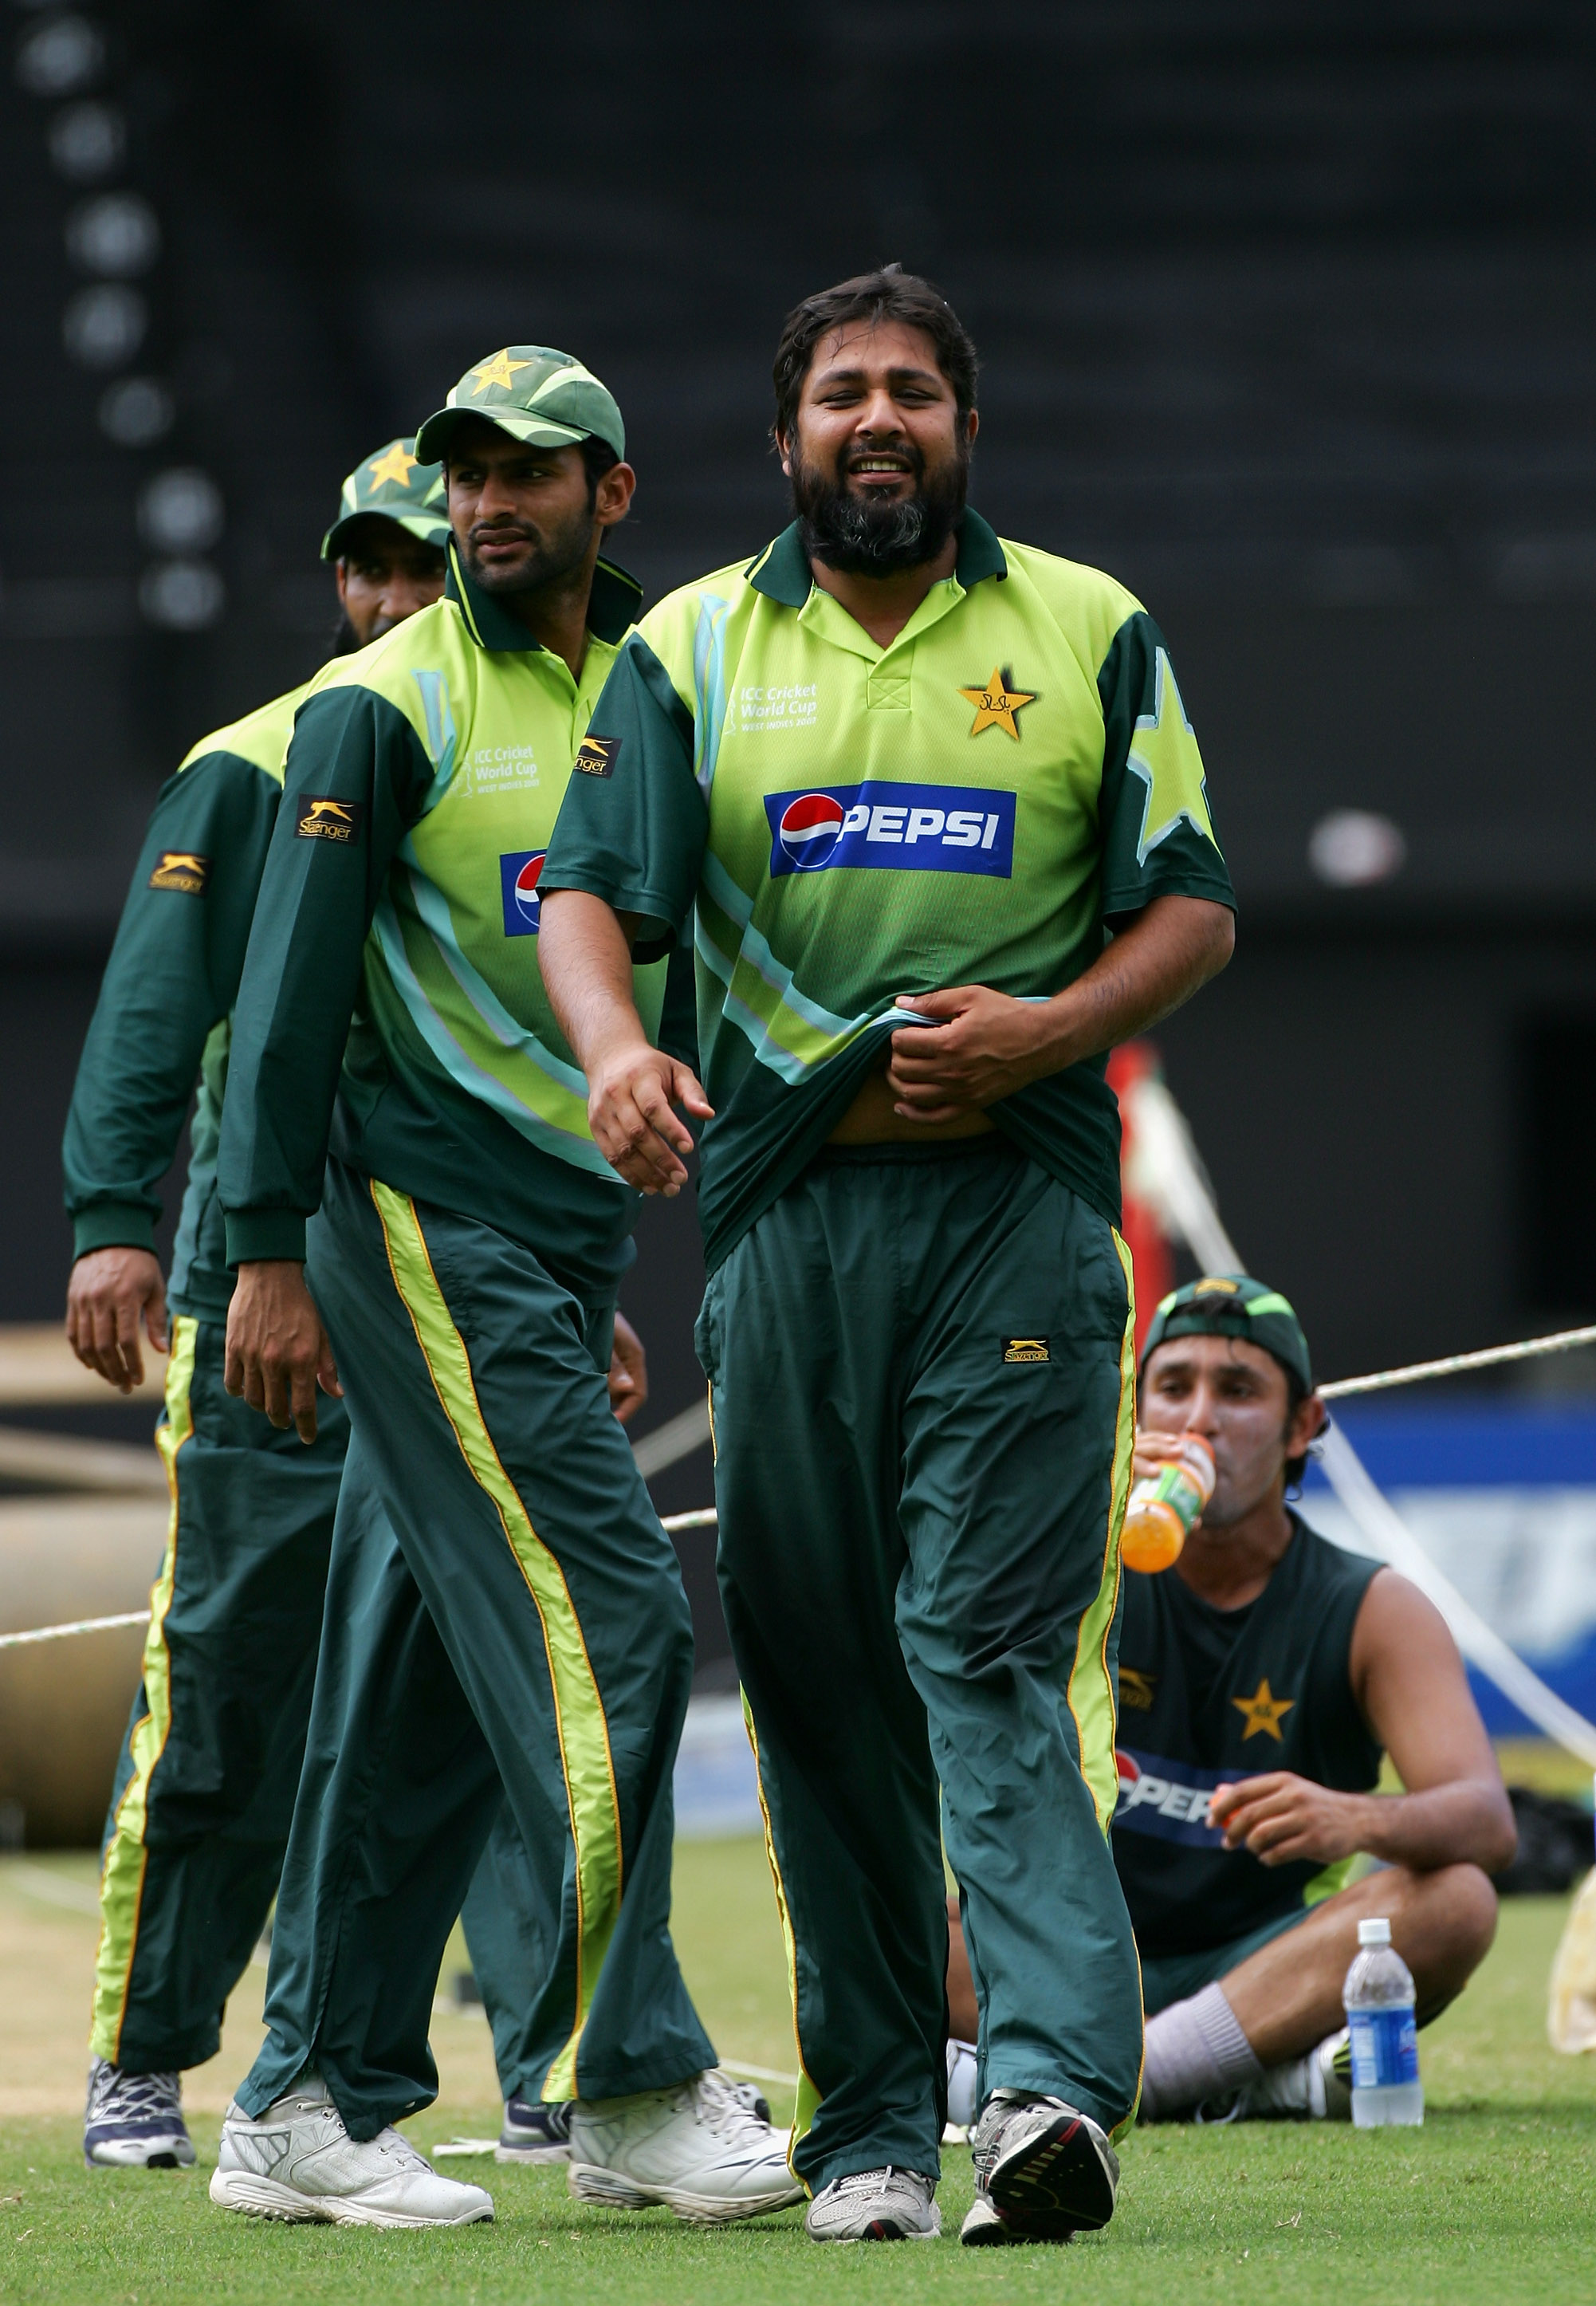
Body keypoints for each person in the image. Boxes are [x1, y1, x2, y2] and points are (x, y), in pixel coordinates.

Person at [537, 266, 1236, 2245]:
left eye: (915, 393)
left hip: (1011, 1212)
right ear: (785, 440)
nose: (878, 421)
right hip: (781, 1225)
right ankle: (865, 2129)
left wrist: (1044, 1028)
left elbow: (1190, 908)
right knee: (827, 1680)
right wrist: (614, 1053)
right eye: (843, 392)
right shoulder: (682, 649)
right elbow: (586, 897)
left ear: (965, 435)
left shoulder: (1087, 628)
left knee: (984, 1650)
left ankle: (1041, 2095)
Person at [209, 346, 799, 2232]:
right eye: (465, 469)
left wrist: (571, 1272)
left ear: (609, 494)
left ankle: (302, 2094)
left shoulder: (637, 690)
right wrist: (261, 1255)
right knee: (611, 1621)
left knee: (428, 1685)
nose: (484, 500)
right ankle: (621, 2080)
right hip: (401, 1225)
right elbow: (286, 1006)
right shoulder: (378, 707)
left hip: (533, 1248)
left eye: (529, 469)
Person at [63, 440, 450, 2171]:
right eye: (366, 566)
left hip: (473, 1292)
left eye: (421, 567)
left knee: (498, 1687)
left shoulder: (560, 756)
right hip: (264, 1302)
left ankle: (533, 2072)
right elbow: (155, 1005)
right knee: (229, 1679)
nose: (387, 599)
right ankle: (148, 2055)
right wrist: (111, 1224)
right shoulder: (251, 759)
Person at [1104, 1274, 1515, 2122]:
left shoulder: (1371, 1607)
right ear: (1132, 1416)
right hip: (1079, 1956)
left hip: (1268, 1966)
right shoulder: (1076, 1559)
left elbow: (1487, 1820)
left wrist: (1353, 1819)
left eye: (1238, 1389)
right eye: (1172, 1388)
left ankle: (1135, 2079)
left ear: (1303, 1426)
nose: (1199, 1419)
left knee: (1455, 1902)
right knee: (902, 1911)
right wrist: (1081, 1499)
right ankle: (1255, 2079)